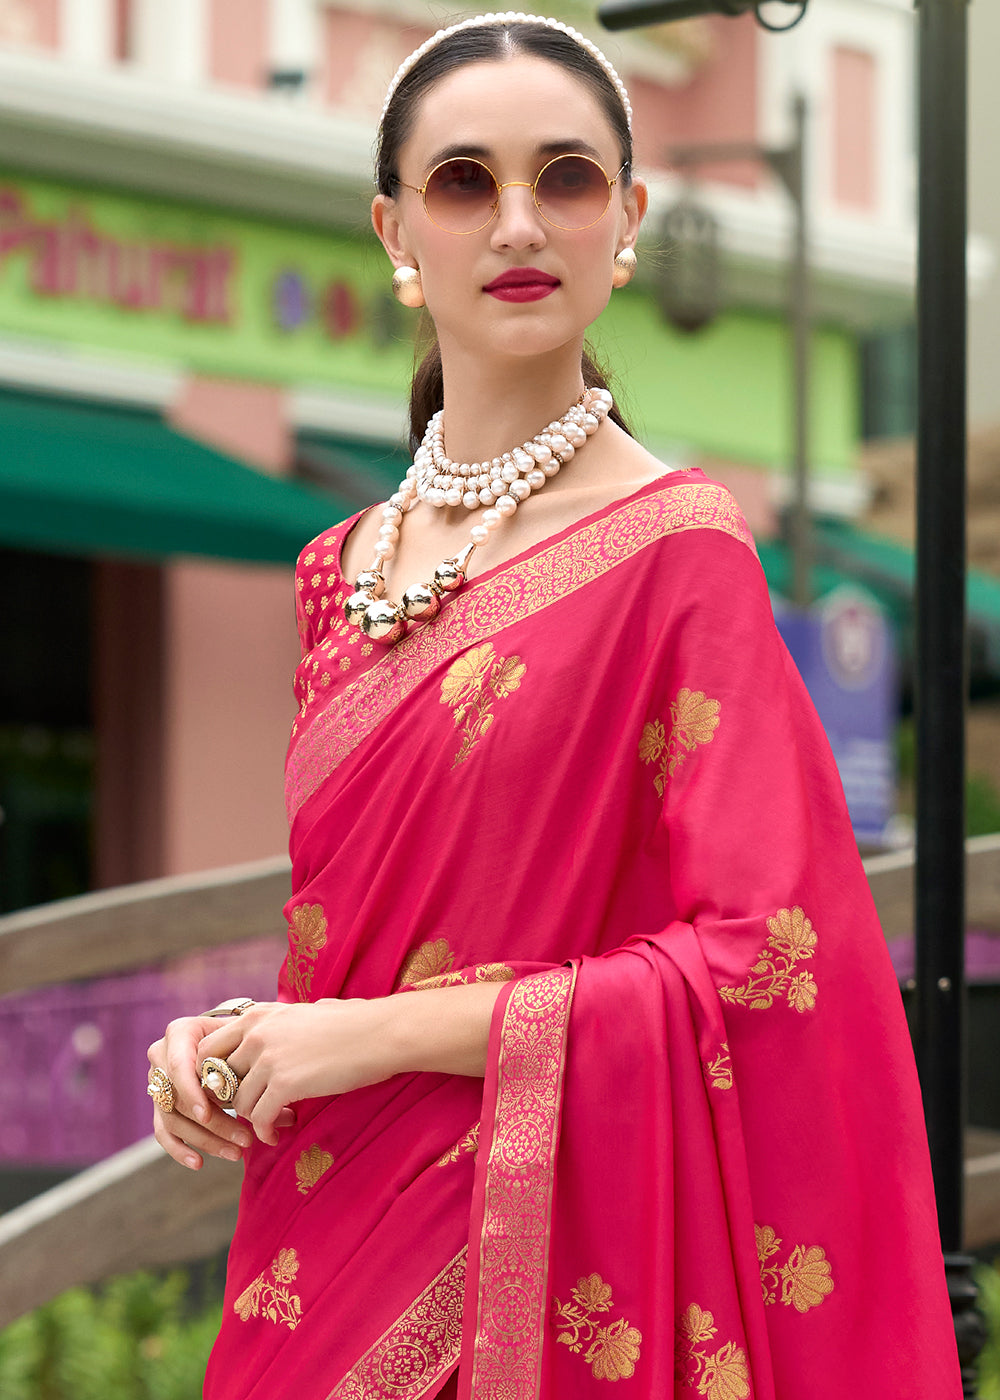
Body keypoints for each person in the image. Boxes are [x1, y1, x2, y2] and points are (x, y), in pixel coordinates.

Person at [146, 13, 961, 1398]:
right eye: (465, 180)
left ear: (626, 218)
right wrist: (226, 1048)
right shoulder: (333, 572)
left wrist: (365, 1035)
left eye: (565, 177)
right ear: (396, 229)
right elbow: (350, 938)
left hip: (544, 1261)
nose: (519, 219)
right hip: (322, 1230)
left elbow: (766, 957)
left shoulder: (679, 549)